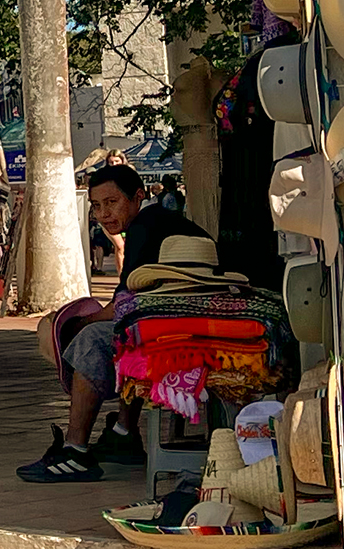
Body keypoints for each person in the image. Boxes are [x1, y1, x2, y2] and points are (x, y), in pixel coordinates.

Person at [19, 163, 206, 483]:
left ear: (137, 197)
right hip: (180, 321)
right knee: (123, 333)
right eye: (96, 205)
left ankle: (75, 450)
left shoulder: (144, 226)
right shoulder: (154, 220)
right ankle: (123, 431)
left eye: (111, 202)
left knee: (94, 339)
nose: (103, 213)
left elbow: (123, 304)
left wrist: (80, 323)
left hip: (187, 330)